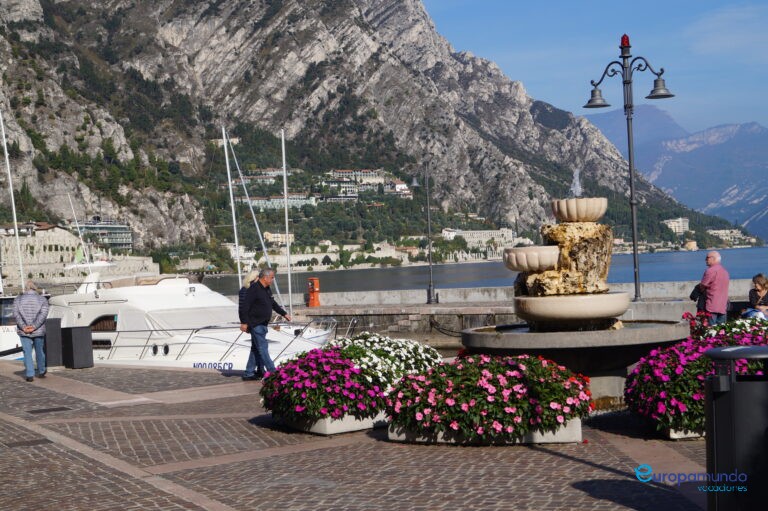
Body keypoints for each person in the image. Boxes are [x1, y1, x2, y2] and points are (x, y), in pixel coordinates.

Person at [239, 268, 291, 380]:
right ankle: (273, 372)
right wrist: (244, 322)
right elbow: (245, 306)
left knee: (255, 348)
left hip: (263, 323)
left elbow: (272, 303)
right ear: (265, 277)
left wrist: (283, 313)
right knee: (263, 348)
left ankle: (249, 373)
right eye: (272, 277)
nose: (273, 280)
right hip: (255, 323)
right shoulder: (253, 289)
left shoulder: (267, 288)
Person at [13, 280, 49, 382]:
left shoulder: (18, 299)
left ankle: (29, 374)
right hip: (38, 330)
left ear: (26, 288)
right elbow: (43, 315)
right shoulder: (42, 300)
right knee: (39, 351)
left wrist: (24, 327)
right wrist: (34, 326)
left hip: (23, 330)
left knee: (27, 352)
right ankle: (41, 371)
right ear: (35, 288)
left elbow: (16, 315)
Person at [238, 270, 262, 381]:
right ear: (255, 277)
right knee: (258, 347)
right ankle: (250, 372)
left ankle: (256, 371)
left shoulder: (249, 289)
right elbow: (242, 308)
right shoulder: (246, 290)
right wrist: (244, 322)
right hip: (252, 322)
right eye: (259, 276)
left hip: (254, 321)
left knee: (256, 346)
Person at [699, 251, 730, 325]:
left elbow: (702, 286)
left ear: (713, 259)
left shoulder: (710, 271)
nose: (705, 260)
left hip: (712, 305)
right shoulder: (725, 271)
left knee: (710, 330)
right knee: (721, 331)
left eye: (707, 258)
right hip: (723, 305)